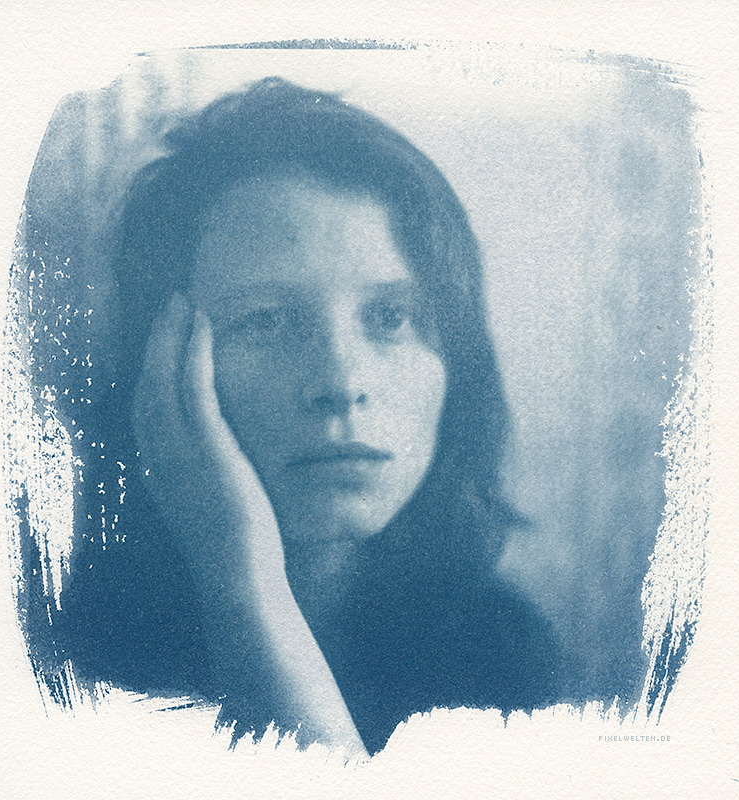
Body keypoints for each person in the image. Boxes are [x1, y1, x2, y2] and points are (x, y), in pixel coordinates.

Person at [55, 77, 562, 756]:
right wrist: (242, 582)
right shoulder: (62, 664)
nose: (342, 384)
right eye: (266, 321)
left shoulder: (502, 654)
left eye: (392, 317)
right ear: (160, 363)